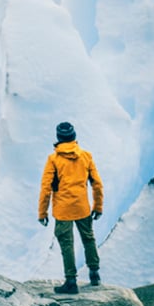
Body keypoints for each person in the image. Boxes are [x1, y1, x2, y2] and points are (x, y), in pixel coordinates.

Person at [38, 121, 104, 294]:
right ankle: (95, 274)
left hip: (63, 209)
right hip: (82, 207)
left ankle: (71, 282)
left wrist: (42, 212)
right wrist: (98, 206)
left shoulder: (53, 160)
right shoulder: (86, 156)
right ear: (74, 137)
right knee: (88, 238)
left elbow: (46, 188)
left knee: (67, 244)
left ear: (59, 138)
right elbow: (97, 184)